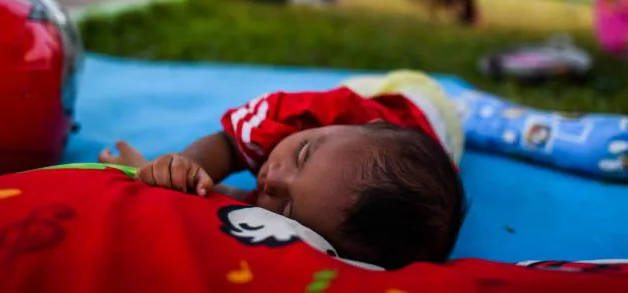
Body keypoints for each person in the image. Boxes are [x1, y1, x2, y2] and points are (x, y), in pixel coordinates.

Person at [99, 70, 467, 270]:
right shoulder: (308, 117)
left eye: (287, 208)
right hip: (410, 96)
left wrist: (195, 190)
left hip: (433, 142)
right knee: (427, 93)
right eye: (302, 154)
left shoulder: (325, 209)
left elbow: (227, 203)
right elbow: (227, 144)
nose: (272, 177)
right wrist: (182, 167)